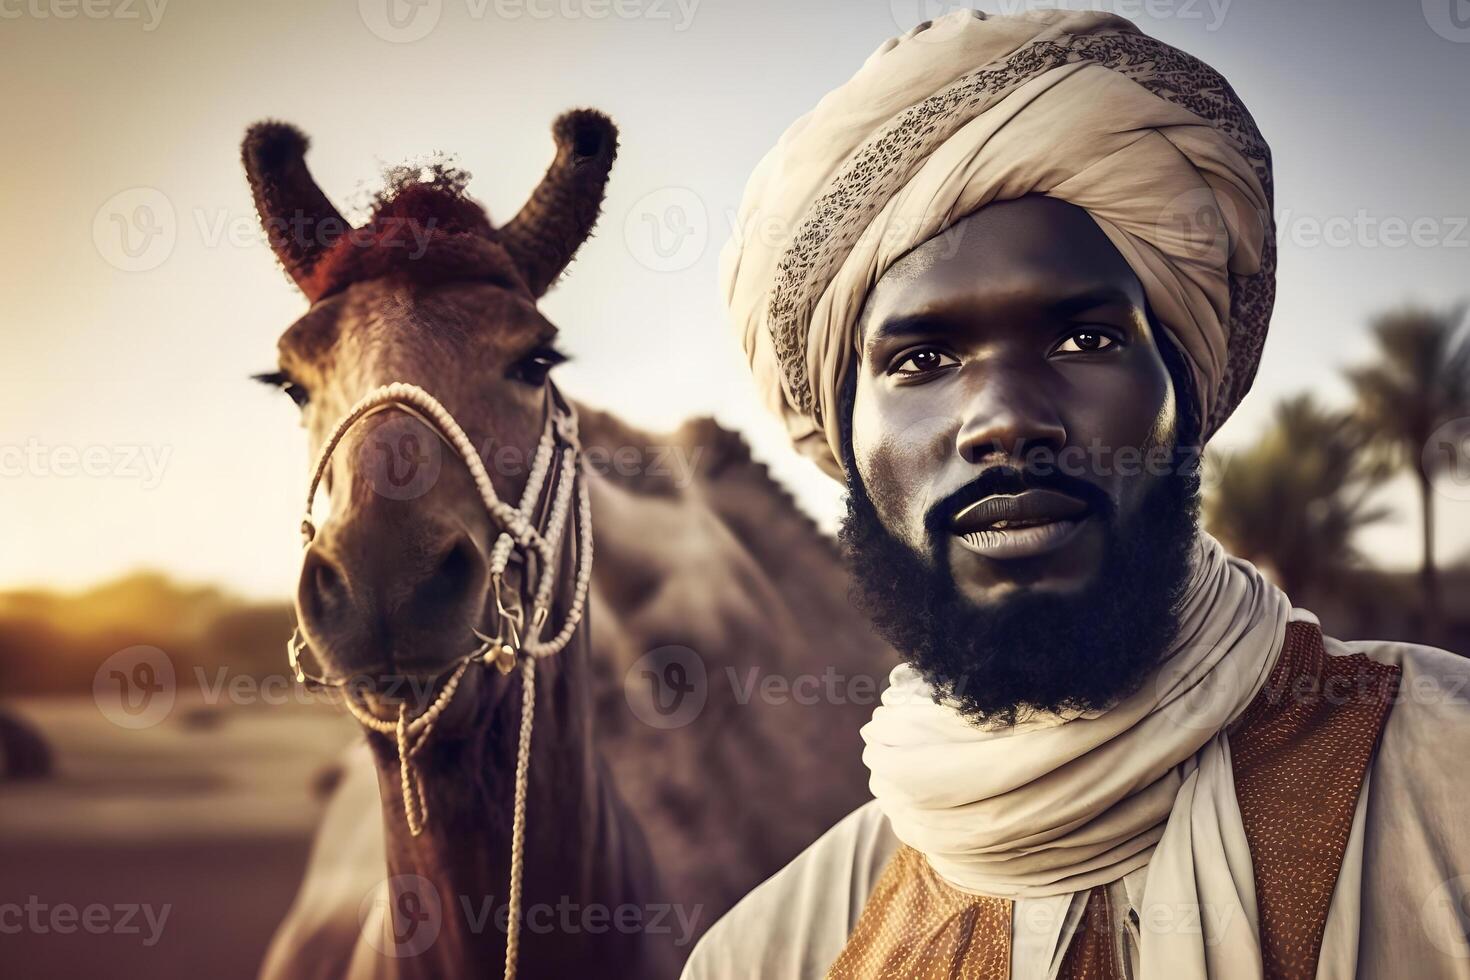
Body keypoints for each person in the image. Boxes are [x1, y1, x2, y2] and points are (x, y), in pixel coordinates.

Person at [684, 10, 1470, 978]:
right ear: (845, 438)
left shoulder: (1447, 783)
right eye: (924, 358)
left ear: (1185, 390)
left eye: (1086, 339)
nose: (1005, 418)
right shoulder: (771, 954)